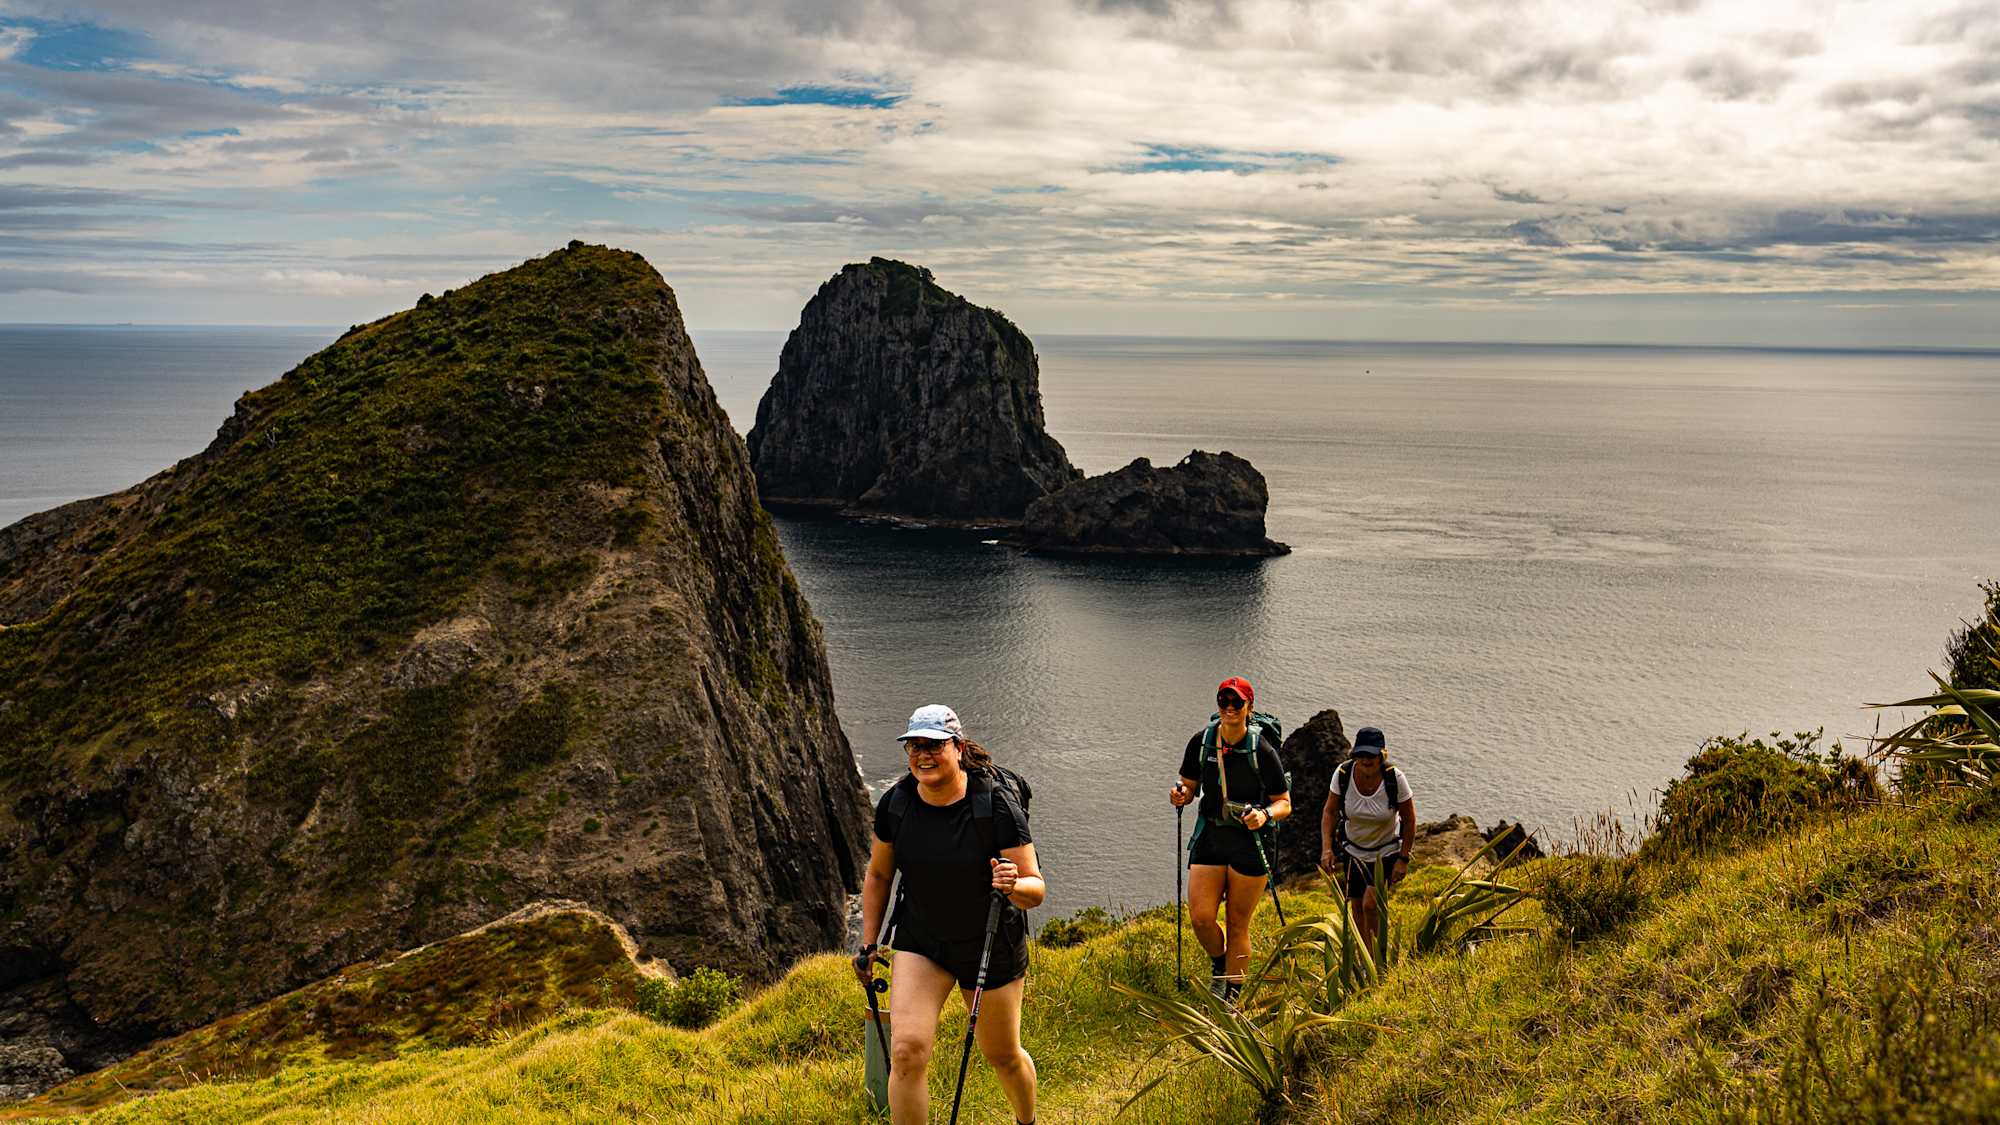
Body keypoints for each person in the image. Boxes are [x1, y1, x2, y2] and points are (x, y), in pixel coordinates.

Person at [855, 705, 1045, 1125]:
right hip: (922, 941)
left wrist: (1013, 885)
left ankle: (1026, 1121)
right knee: (906, 1053)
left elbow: (1036, 889)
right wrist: (869, 943)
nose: (924, 755)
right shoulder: (897, 804)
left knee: (1002, 1055)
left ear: (958, 748)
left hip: (989, 943)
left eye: (935, 745)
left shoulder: (995, 805)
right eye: (915, 746)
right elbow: (879, 875)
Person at [1168, 676, 1291, 999]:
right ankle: (1219, 964)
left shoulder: (1261, 749)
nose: (1230, 707)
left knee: (1238, 923)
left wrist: (1264, 815)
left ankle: (1232, 998)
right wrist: (1181, 795)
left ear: (1249, 707)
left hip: (1251, 841)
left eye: (1237, 702)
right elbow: (1188, 786)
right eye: (1224, 700)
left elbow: (1284, 803)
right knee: (1201, 918)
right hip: (1212, 834)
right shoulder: (1202, 742)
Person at [1318, 725, 1415, 953]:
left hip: (1385, 853)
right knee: (1357, 908)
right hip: (1353, 851)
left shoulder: (1395, 778)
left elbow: (1409, 820)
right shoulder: (1343, 774)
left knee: (1370, 905)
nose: (1365, 760)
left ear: (1382, 755)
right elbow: (1329, 812)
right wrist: (1327, 849)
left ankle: (1378, 958)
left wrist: (1403, 859)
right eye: (1361, 754)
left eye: (1371, 755)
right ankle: (1365, 958)